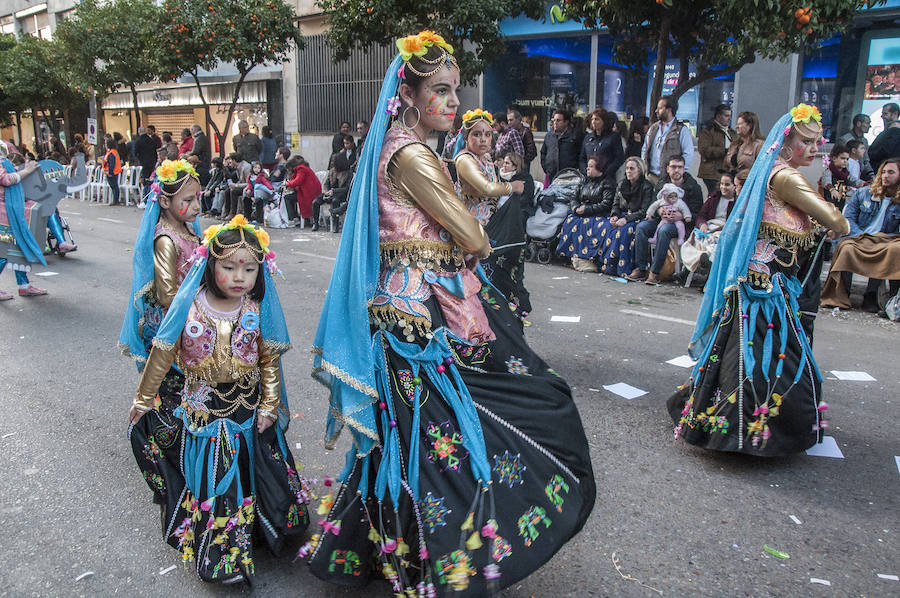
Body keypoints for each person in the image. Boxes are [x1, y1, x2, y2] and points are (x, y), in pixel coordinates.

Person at [305, 31, 595, 596]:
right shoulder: (412, 156)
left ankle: (392, 550)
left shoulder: (408, 150)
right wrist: (472, 226)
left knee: (417, 433)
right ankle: (435, 560)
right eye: (439, 90)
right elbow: (472, 236)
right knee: (458, 427)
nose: (452, 102)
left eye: (454, 90)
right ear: (409, 94)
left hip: (412, 310)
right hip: (422, 318)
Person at [127, 217, 309, 584]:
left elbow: (269, 360)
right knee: (217, 480)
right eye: (229, 267)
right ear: (209, 265)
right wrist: (143, 400)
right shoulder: (189, 306)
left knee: (252, 472)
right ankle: (221, 555)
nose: (240, 276)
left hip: (247, 406)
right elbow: (162, 354)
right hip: (204, 411)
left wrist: (270, 405)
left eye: (249, 269)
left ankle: (258, 532)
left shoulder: (255, 310)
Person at [666, 103, 849, 456]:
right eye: (807, 142)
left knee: (751, 353)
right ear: (786, 141)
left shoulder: (777, 172)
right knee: (764, 356)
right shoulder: (786, 177)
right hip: (763, 287)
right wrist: (834, 219)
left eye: (817, 143)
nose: (814, 150)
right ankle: (747, 432)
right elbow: (839, 222)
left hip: (767, 283)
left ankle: (741, 427)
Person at [118, 158, 203, 368]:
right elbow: (167, 296)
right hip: (175, 323)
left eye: (198, 198)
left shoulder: (186, 229)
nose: (197, 206)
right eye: (188, 200)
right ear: (165, 202)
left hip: (191, 313)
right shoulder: (166, 240)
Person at [453, 109, 532, 319]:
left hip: (491, 226)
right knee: (478, 279)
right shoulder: (465, 160)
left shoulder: (486, 159)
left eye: (487, 134)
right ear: (466, 137)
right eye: (477, 134)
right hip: (472, 229)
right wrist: (511, 187)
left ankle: (502, 314)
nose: (483, 139)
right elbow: (486, 188)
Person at [821, 158, 900, 311]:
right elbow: (848, 219)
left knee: (893, 250)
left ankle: (871, 295)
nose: (885, 176)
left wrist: (880, 238)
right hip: (860, 237)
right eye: (883, 172)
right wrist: (863, 236)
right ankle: (840, 295)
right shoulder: (864, 193)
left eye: (891, 172)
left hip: (885, 241)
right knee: (845, 248)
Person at [628, 156, 703, 283]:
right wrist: (659, 211)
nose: (676, 170)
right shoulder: (662, 184)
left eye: (680, 167)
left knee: (665, 230)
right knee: (642, 227)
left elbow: (698, 213)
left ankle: (655, 272)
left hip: (681, 225)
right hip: (660, 220)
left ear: (684, 169)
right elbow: (653, 204)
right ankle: (640, 268)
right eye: (673, 167)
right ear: (668, 169)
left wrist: (682, 216)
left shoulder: (693, 187)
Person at [0, 147, 48, 299]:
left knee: (18, 250)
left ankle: (24, 285)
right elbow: (7, 180)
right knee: (5, 253)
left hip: (10, 214)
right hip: (4, 217)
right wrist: (26, 171)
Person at [556, 155, 616, 272]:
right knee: (570, 221)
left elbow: (606, 204)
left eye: (591, 167)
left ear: (599, 168)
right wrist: (576, 208)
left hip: (598, 214)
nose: (588, 169)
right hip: (581, 212)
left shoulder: (607, 183)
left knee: (596, 226)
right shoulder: (583, 180)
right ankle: (570, 256)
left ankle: (590, 258)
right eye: (587, 166)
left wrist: (587, 209)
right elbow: (573, 197)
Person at [680, 172, 737, 276]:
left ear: (734, 187)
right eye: (722, 184)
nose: (723, 187)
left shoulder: (737, 203)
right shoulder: (714, 198)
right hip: (708, 227)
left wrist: (720, 228)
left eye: (727, 185)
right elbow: (701, 215)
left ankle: (704, 268)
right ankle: (695, 265)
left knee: (713, 243)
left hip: (724, 230)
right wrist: (702, 224)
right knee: (695, 240)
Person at [641, 95, 694, 185]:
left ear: (668, 110)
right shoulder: (654, 128)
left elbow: (688, 154)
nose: (656, 111)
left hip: (670, 180)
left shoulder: (681, 130)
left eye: (660, 108)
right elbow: (645, 149)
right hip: (650, 177)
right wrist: (645, 169)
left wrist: (676, 173)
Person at [697, 104, 735, 194]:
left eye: (730, 116)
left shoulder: (732, 132)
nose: (729, 118)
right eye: (726, 116)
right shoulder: (708, 131)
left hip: (727, 171)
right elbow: (704, 150)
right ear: (718, 116)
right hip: (712, 173)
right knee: (715, 196)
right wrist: (725, 151)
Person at [579, 110, 624, 181]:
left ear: (604, 121)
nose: (593, 122)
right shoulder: (588, 138)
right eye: (592, 119)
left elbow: (619, 158)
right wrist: (586, 172)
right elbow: (582, 158)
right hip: (589, 179)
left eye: (597, 119)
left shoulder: (614, 137)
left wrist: (603, 173)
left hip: (606, 179)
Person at [541, 109, 582, 184]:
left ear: (566, 122)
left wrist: (576, 170)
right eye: (554, 120)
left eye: (558, 120)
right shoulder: (549, 136)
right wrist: (546, 168)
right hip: (552, 174)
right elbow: (543, 153)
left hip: (569, 175)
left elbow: (581, 154)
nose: (555, 123)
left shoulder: (575, 135)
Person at [820, 143, 863, 211]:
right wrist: (832, 190)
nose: (845, 161)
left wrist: (867, 184)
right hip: (828, 205)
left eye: (847, 159)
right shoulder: (829, 171)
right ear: (834, 158)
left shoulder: (846, 173)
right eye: (843, 158)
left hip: (841, 205)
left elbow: (854, 181)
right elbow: (826, 182)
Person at [285, 155, 320, 226]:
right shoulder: (304, 168)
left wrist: (287, 184)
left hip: (308, 193)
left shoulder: (301, 169)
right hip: (310, 192)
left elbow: (298, 181)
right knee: (291, 197)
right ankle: (295, 217)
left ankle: (292, 218)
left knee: (287, 198)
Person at [838, 113, 874, 180]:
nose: (870, 126)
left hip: (860, 177)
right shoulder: (844, 140)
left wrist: (871, 174)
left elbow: (866, 160)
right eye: (867, 123)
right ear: (858, 124)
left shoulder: (864, 141)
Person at [222, 153, 251, 221]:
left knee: (234, 191)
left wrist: (236, 185)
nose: (230, 162)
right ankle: (227, 212)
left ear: (234, 160)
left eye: (231, 160)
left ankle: (233, 213)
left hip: (248, 187)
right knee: (227, 191)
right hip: (242, 185)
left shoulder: (246, 167)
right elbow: (240, 180)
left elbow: (248, 183)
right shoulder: (237, 168)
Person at [134, 126, 159, 200]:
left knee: (145, 180)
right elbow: (154, 151)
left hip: (143, 163)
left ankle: (145, 197)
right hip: (152, 163)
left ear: (139, 132)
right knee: (151, 179)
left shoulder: (138, 141)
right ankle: (151, 195)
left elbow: (135, 153)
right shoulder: (151, 140)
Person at [102, 137, 123, 206]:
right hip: (114, 172)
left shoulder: (111, 153)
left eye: (106, 143)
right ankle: (115, 200)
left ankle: (115, 200)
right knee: (114, 186)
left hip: (111, 172)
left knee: (114, 186)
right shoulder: (114, 152)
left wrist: (110, 172)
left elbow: (111, 164)